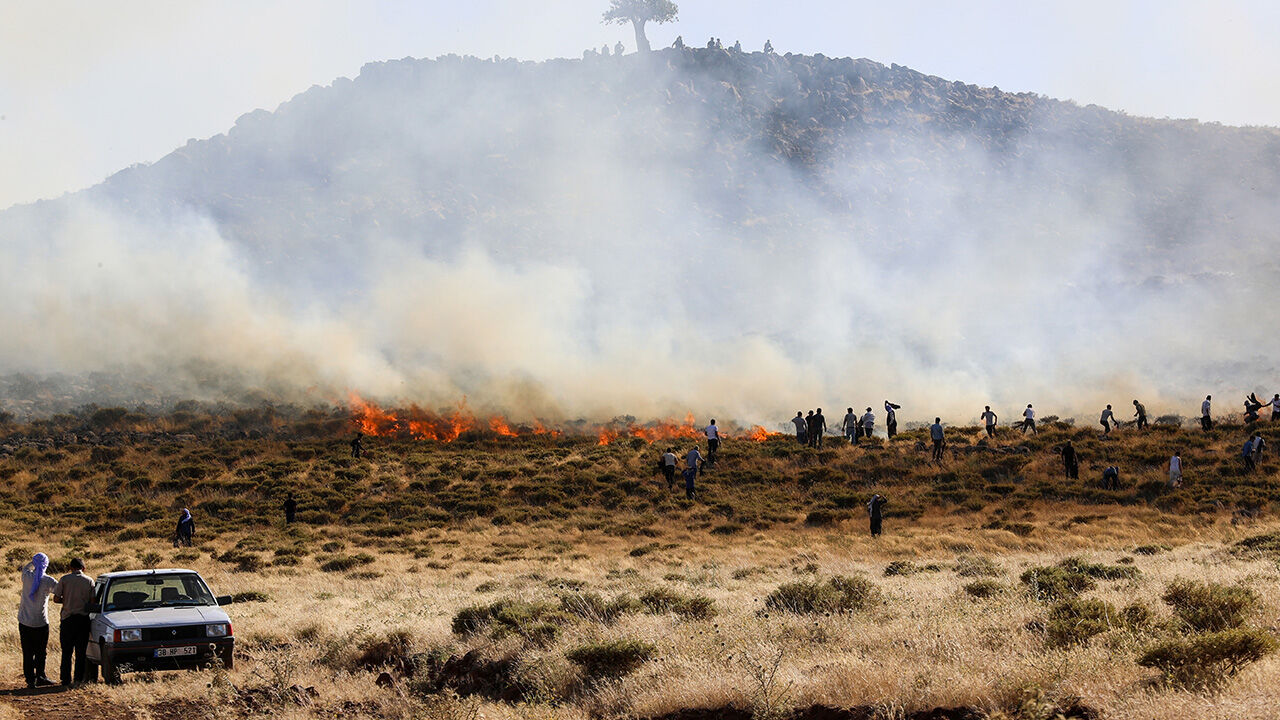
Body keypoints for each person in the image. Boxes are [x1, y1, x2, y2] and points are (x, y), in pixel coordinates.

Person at [19, 553, 58, 689]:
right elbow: (59, 592)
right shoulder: (49, 581)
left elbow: (26, 568)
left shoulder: (27, 576)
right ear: (46, 565)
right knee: (41, 652)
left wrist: (33, 562)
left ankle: (30, 679)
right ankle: (41, 676)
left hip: (25, 621)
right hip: (41, 622)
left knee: (28, 652)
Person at [52, 558, 93, 687]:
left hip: (67, 619)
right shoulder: (89, 581)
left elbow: (56, 598)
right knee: (81, 652)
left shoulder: (64, 579)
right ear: (83, 568)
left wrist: (66, 601)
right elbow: (93, 601)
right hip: (83, 620)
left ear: (71, 567)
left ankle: (65, 679)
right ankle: (78, 679)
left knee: (66, 651)